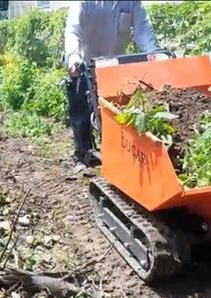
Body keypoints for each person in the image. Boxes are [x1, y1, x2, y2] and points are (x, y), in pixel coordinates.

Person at [64, 0, 161, 176]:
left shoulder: (131, 3)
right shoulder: (85, 3)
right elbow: (73, 30)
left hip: (115, 68)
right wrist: (73, 56)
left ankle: (119, 155)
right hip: (86, 65)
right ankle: (81, 156)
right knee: (81, 113)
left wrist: (153, 52)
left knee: (117, 114)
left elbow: (143, 30)